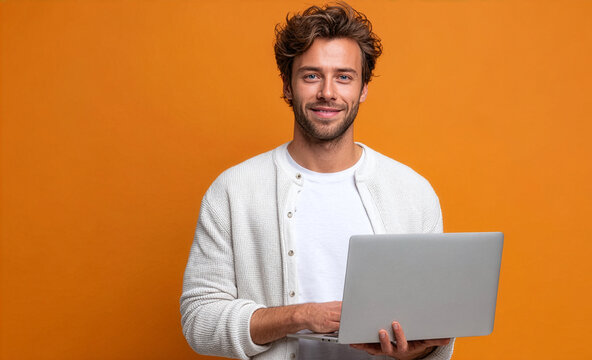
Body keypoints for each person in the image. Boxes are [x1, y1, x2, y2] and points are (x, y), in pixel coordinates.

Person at [180, 3, 455, 359]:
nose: (328, 92)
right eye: (311, 76)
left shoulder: (413, 193)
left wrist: (412, 352)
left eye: (344, 76)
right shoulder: (234, 191)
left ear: (363, 87)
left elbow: (434, 325)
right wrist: (299, 316)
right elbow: (199, 319)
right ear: (288, 85)